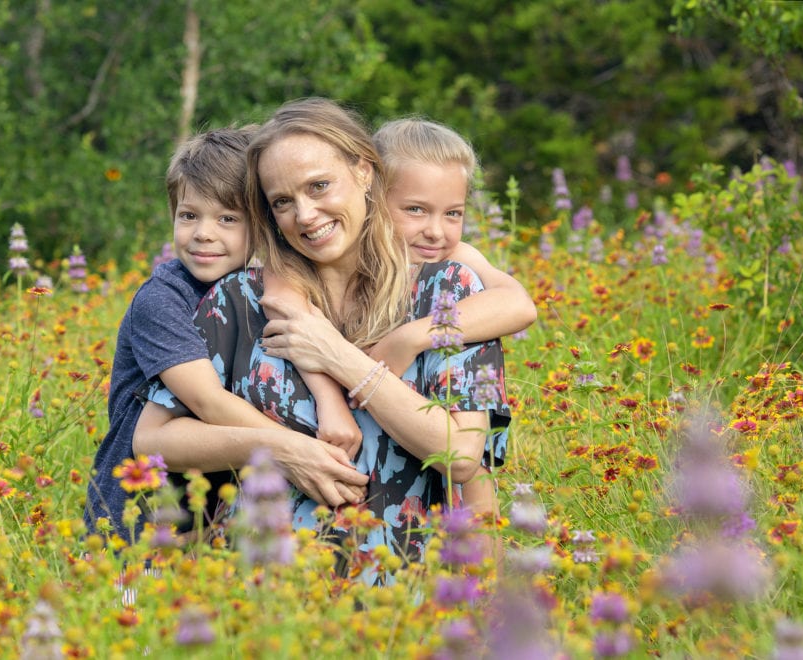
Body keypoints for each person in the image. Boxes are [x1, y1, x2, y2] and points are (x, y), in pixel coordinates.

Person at [134, 98, 503, 572]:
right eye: (282, 202)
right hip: (258, 603)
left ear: (365, 172)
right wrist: (282, 451)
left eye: (319, 186)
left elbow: (462, 458)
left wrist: (339, 357)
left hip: (401, 608)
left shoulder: (452, 292)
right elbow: (153, 441)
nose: (305, 215)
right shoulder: (238, 299)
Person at [83, 126, 365, 544]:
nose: (203, 233)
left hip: (208, 518)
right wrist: (299, 451)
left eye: (227, 219)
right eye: (188, 215)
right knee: (129, 607)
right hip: (135, 517)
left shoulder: (263, 287)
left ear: (263, 225)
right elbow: (206, 400)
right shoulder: (163, 299)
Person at [370, 118, 537, 516]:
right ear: (372, 199)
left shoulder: (454, 258)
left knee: (472, 474)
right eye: (415, 210)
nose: (436, 231)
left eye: (453, 213)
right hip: (380, 436)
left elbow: (519, 305)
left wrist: (408, 338)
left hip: (447, 421)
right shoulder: (357, 257)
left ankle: (484, 570)